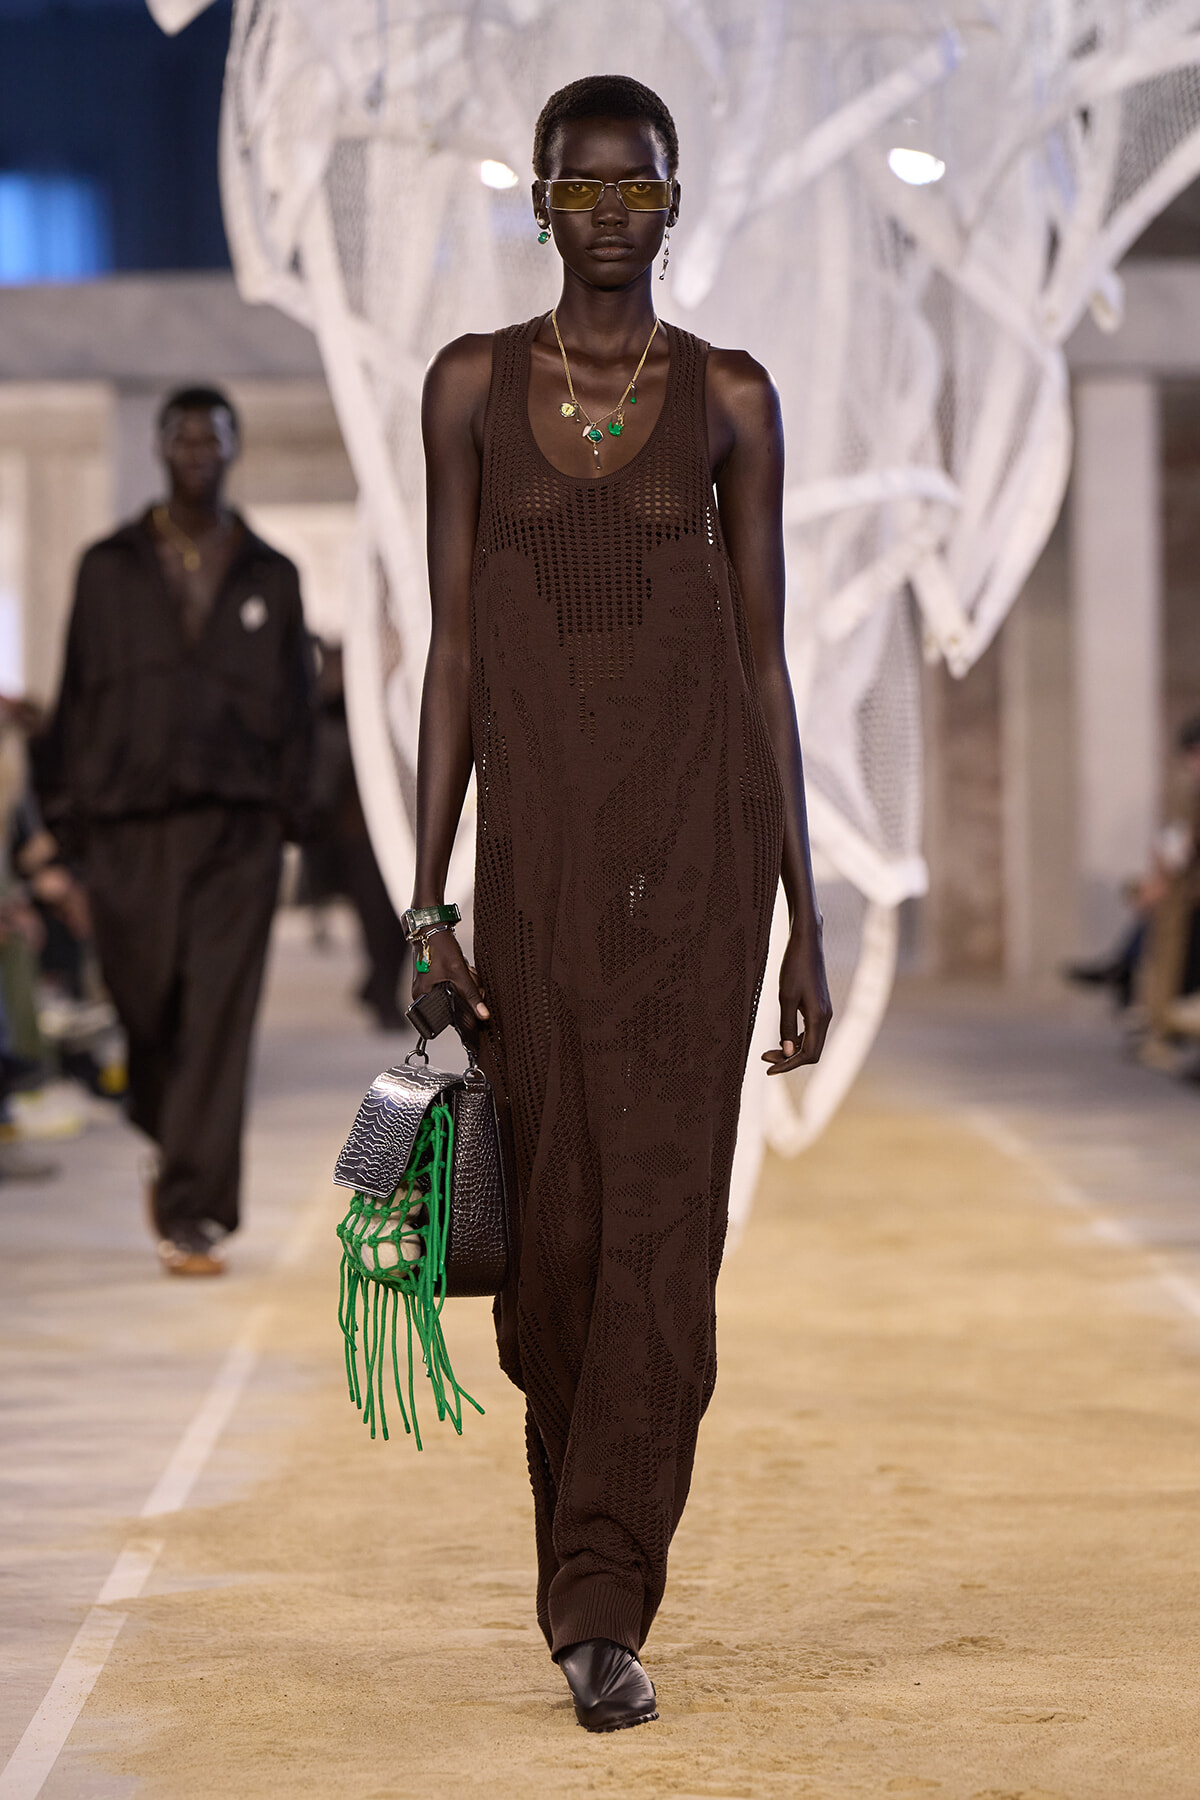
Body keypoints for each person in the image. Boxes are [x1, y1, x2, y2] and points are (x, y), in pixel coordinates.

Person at [410, 76, 831, 1732]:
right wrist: (422, 899)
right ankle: (581, 1533)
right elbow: (449, 651)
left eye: (634, 188)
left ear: (675, 200)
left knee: (662, 1242)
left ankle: (601, 1598)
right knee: (556, 1258)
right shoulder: (466, 387)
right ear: (536, 199)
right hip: (533, 887)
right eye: (578, 191)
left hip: (702, 883)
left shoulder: (730, 397)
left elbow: (765, 662)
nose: (606, 216)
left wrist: (805, 911)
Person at [40, 386, 313, 1275]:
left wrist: (289, 816)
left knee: (217, 1020)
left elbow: (302, 715)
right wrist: (62, 835)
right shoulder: (107, 566)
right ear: (161, 449)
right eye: (184, 436)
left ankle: (195, 1212)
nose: (199, 449)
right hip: (126, 831)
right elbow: (75, 698)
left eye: (214, 436)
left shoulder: (271, 575)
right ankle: (168, 1133)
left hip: (237, 833)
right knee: (145, 1002)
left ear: (235, 449)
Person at [299, 641, 409, 1029]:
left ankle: (379, 984)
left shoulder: (395, 682)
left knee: (395, 912)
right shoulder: (334, 690)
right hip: (356, 824)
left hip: (388, 818)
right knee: (378, 912)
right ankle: (381, 989)